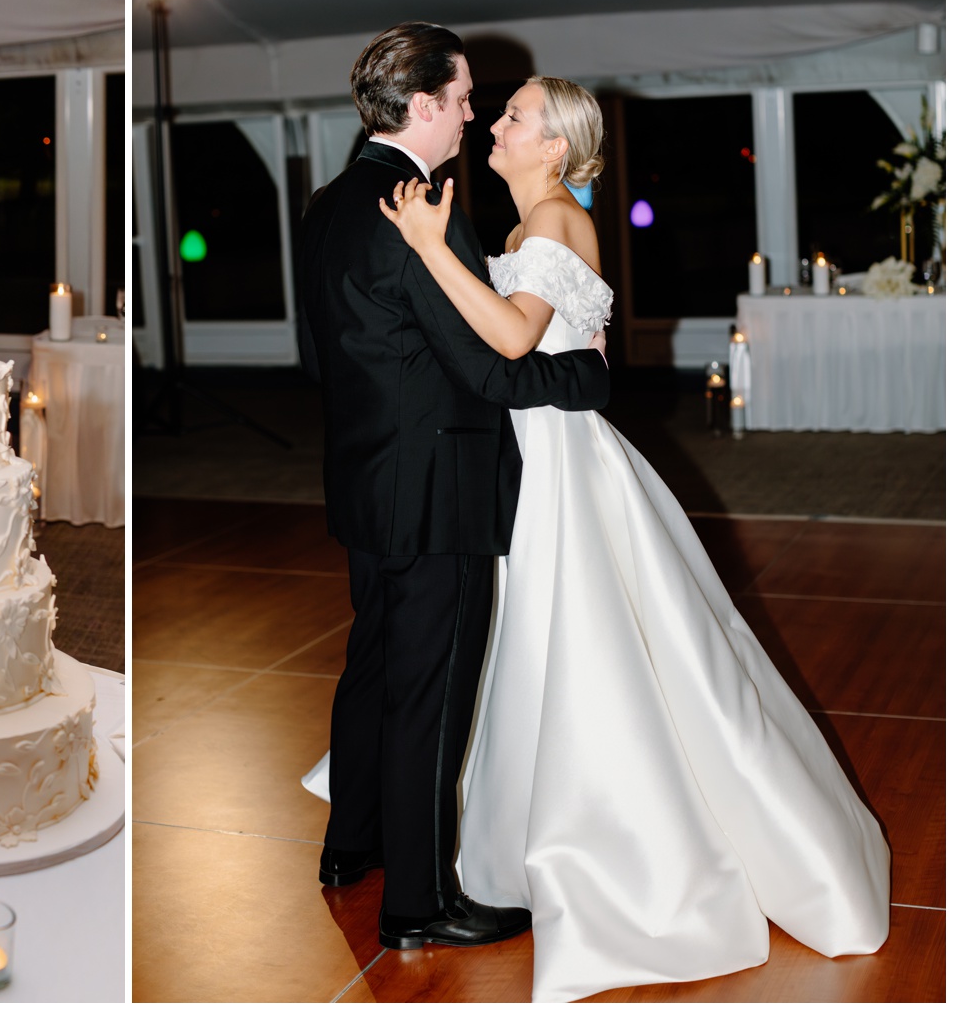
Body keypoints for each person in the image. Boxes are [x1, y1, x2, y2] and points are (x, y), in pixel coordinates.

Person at [380, 75, 890, 1001]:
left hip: (558, 465)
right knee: (545, 647)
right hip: (538, 448)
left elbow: (509, 337)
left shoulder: (551, 226)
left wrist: (426, 250)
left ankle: (611, 852)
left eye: (516, 117)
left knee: (576, 646)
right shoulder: (535, 223)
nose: (496, 124)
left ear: (556, 149)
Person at [295, 23, 610, 953]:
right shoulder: (419, 207)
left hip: (365, 479)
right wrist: (583, 381)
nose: (475, 112)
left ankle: (349, 847)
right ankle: (420, 902)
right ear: (424, 104)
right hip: (442, 487)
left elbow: (321, 357)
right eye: (467, 98)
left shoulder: (327, 202)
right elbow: (485, 364)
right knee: (429, 691)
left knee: (373, 669)